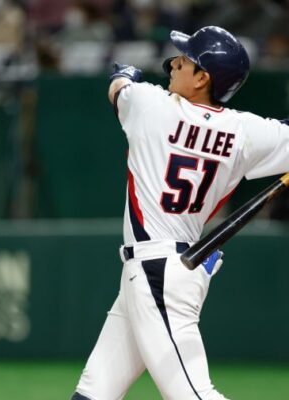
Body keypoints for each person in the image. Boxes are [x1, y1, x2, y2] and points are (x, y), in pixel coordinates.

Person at [70, 26, 289, 400]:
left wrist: (125, 73)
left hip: (159, 272)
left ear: (203, 78)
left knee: (194, 395)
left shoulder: (149, 104)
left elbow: (118, 87)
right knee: (94, 392)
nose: (173, 63)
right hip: (168, 269)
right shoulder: (245, 132)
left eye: (185, 60)